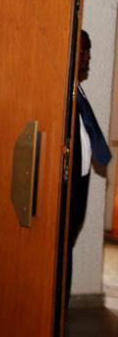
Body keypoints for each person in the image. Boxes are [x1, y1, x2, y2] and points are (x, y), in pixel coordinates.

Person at [67, 29, 111, 309]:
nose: (88, 58)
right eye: (84, 52)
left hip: (78, 186)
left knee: (67, 245)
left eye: (90, 52)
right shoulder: (60, 91)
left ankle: (61, 309)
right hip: (65, 187)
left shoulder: (77, 91)